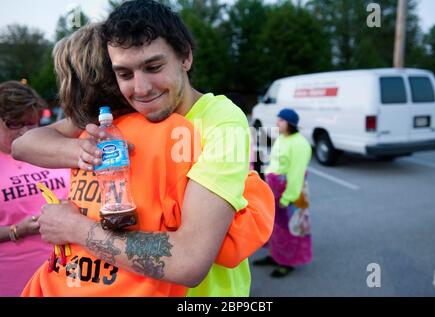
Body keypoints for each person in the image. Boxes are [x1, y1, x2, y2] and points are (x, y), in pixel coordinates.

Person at [13, 1, 274, 297]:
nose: (141, 88)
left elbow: (189, 261)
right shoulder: (119, 114)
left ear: (185, 56)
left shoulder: (220, 122)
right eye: (124, 74)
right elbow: (24, 145)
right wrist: (82, 151)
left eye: (154, 67)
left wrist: (74, 228)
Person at [0, 81, 69, 296]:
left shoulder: (49, 151)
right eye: (14, 124)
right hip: (14, 281)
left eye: (31, 123)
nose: (25, 132)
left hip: (65, 277)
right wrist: (16, 230)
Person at [253, 108, 312, 277]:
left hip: (290, 194)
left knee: (290, 228)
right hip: (275, 190)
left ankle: (287, 262)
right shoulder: (281, 138)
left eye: (281, 120)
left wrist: (287, 198)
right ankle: (275, 256)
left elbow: (296, 174)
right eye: (277, 120)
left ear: (290, 124)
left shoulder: (300, 143)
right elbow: (274, 163)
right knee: (276, 228)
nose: (277, 123)